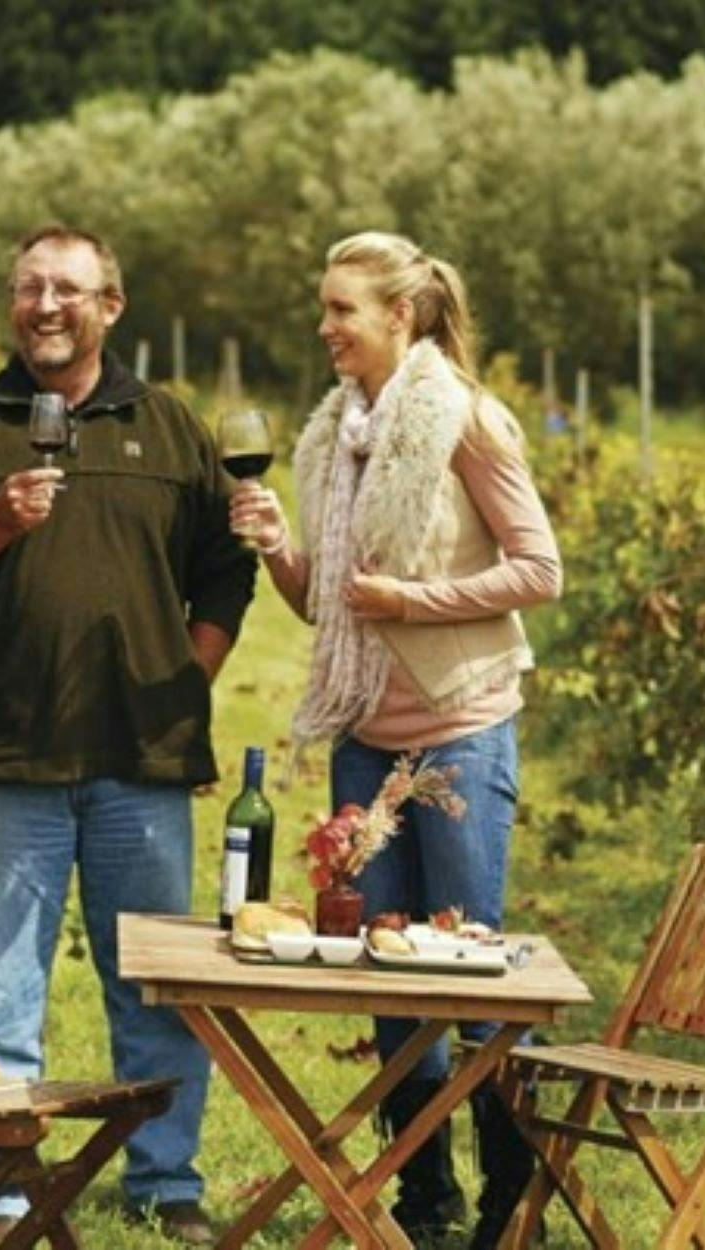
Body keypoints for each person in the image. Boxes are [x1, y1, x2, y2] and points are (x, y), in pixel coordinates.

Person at [0, 225, 254, 1246]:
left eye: (68, 290)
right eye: (29, 287)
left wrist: (192, 673)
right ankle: (1, 1192)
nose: (46, 305)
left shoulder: (167, 427)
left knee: (158, 990)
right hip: (6, 756)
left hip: (143, 761)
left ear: (110, 306)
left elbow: (226, 566)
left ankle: (165, 1182)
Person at [232, 230, 562, 1247]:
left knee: (465, 968)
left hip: (459, 728)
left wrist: (413, 600)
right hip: (366, 738)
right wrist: (281, 545)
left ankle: (513, 1207)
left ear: (399, 316)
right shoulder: (336, 436)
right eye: (322, 307)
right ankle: (421, 1200)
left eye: (341, 309)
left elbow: (539, 567)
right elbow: (329, 607)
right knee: (380, 972)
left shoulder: (461, 418)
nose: (323, 326)